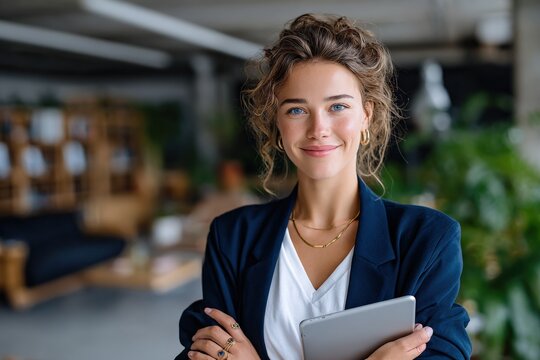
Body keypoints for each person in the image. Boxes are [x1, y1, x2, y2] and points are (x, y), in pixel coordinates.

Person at [175, 13, 471, 360]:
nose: (319, 128)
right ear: (278, 126)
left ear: (366, 117)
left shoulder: (426, 240)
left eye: (338, 107)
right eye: (297, 110)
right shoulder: (233, 237)